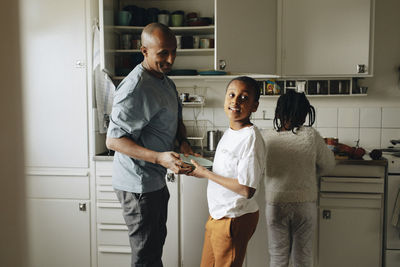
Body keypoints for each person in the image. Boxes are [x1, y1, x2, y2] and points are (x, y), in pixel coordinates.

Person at [106, 23, 194, 267]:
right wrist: (160, 158)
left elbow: (175, 120)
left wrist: (183, 143)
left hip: (154, 181)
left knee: (154, 249)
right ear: (144, 50)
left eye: (174, 52)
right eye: (163, 53)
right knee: (146, 255)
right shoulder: (135, 88)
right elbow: (113, 140)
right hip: (137, 185)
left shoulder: (165, 81)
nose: (170, 59)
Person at [188, 76, 266, 267]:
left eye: (244, 97)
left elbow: (247, 189)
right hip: (218, 214)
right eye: (232, 94)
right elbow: (228, 170)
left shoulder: (250, 138)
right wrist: (199, 163)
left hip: (234, 218)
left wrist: (205, 174)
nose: (235, 101)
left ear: (254, 106)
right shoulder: (231, 131)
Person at [263, 90, 335, 267]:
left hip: (275, 203)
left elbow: (260, 168)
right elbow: (328, 164)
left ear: (278, 113)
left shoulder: (266, 137)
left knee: (278, 257)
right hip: (304, 204)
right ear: (304, 115)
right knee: (303, 258)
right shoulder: (310, 136)